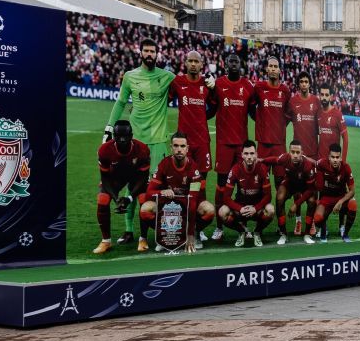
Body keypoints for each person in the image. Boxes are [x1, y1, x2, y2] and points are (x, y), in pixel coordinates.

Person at [105, 37, 175, 245]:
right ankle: (128, 231)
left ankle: (157, 232)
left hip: (158, 140)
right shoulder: (130, 76)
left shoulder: (167, 76)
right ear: (140, 53)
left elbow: (189, 83)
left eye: (153, 51)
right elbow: (120, 103)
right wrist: (110, 127)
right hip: (135, 142)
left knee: (158, 186)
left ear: (157, 53)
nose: (149, 54)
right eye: (146, 51)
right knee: (132, 186)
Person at [141, 132, 216, 252]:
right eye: (176, 146)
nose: (179, 149)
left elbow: (192, 201)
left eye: (182, 146)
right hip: (169, 206)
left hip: (188, 205)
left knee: (209, 210)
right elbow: (149, 192)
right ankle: (164, 235)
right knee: (145, 208)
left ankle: (196, 233)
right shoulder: (163, 164)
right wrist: (162, 192)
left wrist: (190, 234)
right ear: (171, 148)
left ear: (187, 148)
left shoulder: (194, 169)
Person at [211, 54, 254, 241]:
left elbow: (254, 113)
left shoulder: (248, 86)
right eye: (231, 62)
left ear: (241, 65)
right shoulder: (218, 84)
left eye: (237, 62)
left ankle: (240, 223)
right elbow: (211, 109)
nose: (234, 65)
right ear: (225, 64)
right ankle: (219, 227)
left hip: (242, 147)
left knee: (242, 186)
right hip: (224, 144)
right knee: (221, 186)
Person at [92, 120, 151, 254]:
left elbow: (143, 178)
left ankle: (143, 238)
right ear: (113, 136)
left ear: (132, 136)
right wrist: (116, 198)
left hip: (137, 178)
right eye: (118, 137)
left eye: (126, 136)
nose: (122, 140)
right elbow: (105, 178)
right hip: (114, 178)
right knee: (102, 199)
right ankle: (106, 241)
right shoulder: (104, 150)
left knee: (144, 200)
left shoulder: (142, 149)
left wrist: (129, 198)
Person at [169, 50, 216, 183]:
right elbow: (164, 101)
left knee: (202, 179)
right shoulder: (178, 82)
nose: (193, 64)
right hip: (183, 141)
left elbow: (214, 107)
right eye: (190, 61)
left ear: (201, 64)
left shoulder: (207, 83)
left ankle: (199, 202)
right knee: (182, 177)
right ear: (185, 63)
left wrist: (201, 118)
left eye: (196, 61)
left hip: (202, 140)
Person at [220, 140, 275, 247]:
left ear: (256, 154)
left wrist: (255, 208)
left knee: (270, 210)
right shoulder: (235, 170)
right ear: (242, 155)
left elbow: (268, 196)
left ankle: (257, 232)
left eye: (252, 153)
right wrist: (239, 208)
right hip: (241, 209)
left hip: (257, 209)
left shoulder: (262, 169)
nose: (249, 157)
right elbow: (226, 198)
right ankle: (242, 231)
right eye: (246, 153)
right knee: (223, 212)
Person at [263, 140, 317, 245]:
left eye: (298, 152)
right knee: (279, 198)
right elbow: (274, 160)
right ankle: (283, 234)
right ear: (289, 152)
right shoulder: (285, 158)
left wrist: (296, 204)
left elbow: (310, 189)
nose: (295, 155)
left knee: (312, 200)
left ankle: (307, 234)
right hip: (290, 183)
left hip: (304, 186)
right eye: (293, 152)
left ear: (302, 153)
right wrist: (260, 160)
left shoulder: (308, 165)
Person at [313, 143, 356, 243]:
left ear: (341, 157)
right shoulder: (322, 164)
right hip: (326, 197)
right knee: (318, 218)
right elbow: (314, 163)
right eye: (333, 157)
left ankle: (345, 234)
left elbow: (352, 191)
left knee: (353, 204)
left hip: (341, 197)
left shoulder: (346, 167)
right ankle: (323, 233)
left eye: (337, 157)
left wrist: (340, 202)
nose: (335, 160)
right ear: (329, 157)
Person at [252, 57, 291, 162]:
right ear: (267, 69)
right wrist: (260, 121)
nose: (273, 69)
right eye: (271, 66)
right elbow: (251, 107)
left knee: (280, 177)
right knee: (262, 176)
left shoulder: (285, 91)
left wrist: (280, 125)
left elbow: (288, 114)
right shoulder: (259, 87)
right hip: (263, 142)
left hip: (279, 142)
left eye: (275, 66)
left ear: (279, 70)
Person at [286, 73, 321, 162]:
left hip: (313, 151)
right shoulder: (292, 101)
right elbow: (284, 122)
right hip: (297, 151)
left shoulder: (316, 101)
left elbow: (320, 125)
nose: (304, 84)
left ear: (309, 84)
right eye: (301, 82)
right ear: (298, 84)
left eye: (306, 81)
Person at [316, 82, 349, 162]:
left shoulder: (337, 114)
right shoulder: (318, 113)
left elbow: (345, 138)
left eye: (326, 95)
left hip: (333, 160)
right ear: (319, 96)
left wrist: (343, 161)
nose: (324, 97)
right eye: (322, 94)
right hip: (320, 160)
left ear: (331, 97)